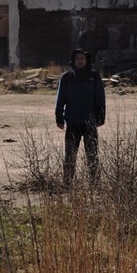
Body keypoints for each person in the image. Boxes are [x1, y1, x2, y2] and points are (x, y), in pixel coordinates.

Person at [55, 48, 106, 186]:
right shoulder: (67, 78)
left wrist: (101, 116)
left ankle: (95, 184)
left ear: (86, 60)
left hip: (90, 122)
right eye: (77, 59)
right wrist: (59, 117)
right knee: (70, 155)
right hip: (72, 122)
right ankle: (67, 183)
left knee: (92, 155)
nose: (80, 61)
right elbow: (60, 99)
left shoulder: (94, 77)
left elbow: (100, 97)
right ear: (73, 61)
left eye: (82, 58)